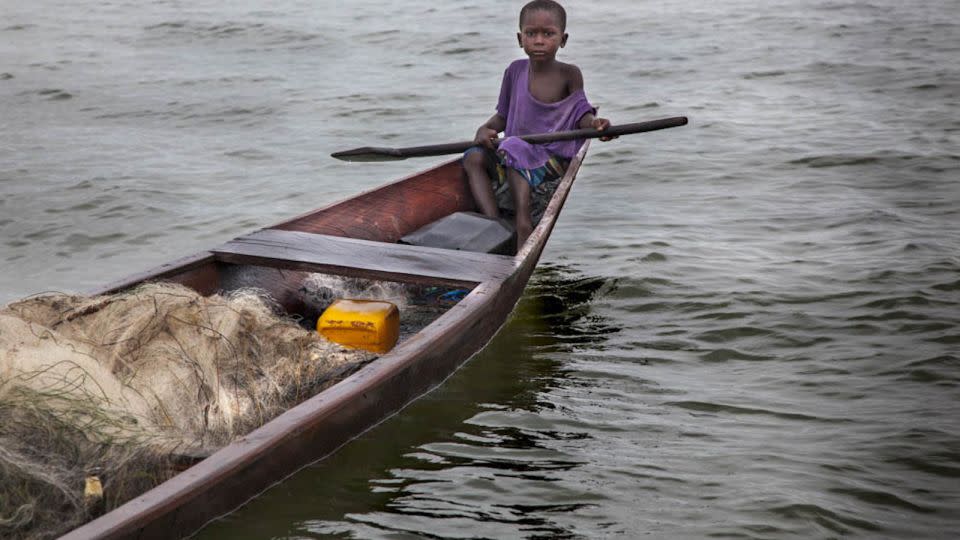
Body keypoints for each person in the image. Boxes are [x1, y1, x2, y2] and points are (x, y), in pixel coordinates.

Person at [462, 0, 613, 250]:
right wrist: (484, 129)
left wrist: (596, 125)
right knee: (473, 157)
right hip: (513, 153)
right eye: (531, 34)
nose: (539, 40)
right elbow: (502, 116)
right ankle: (493, 222)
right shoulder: (515, 71)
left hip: (548, 157)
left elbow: (581, 114)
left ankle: (523, 222)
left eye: (548, 34)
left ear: (562, 39)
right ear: (520, 39)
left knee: (512, 145)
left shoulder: (569, 74)